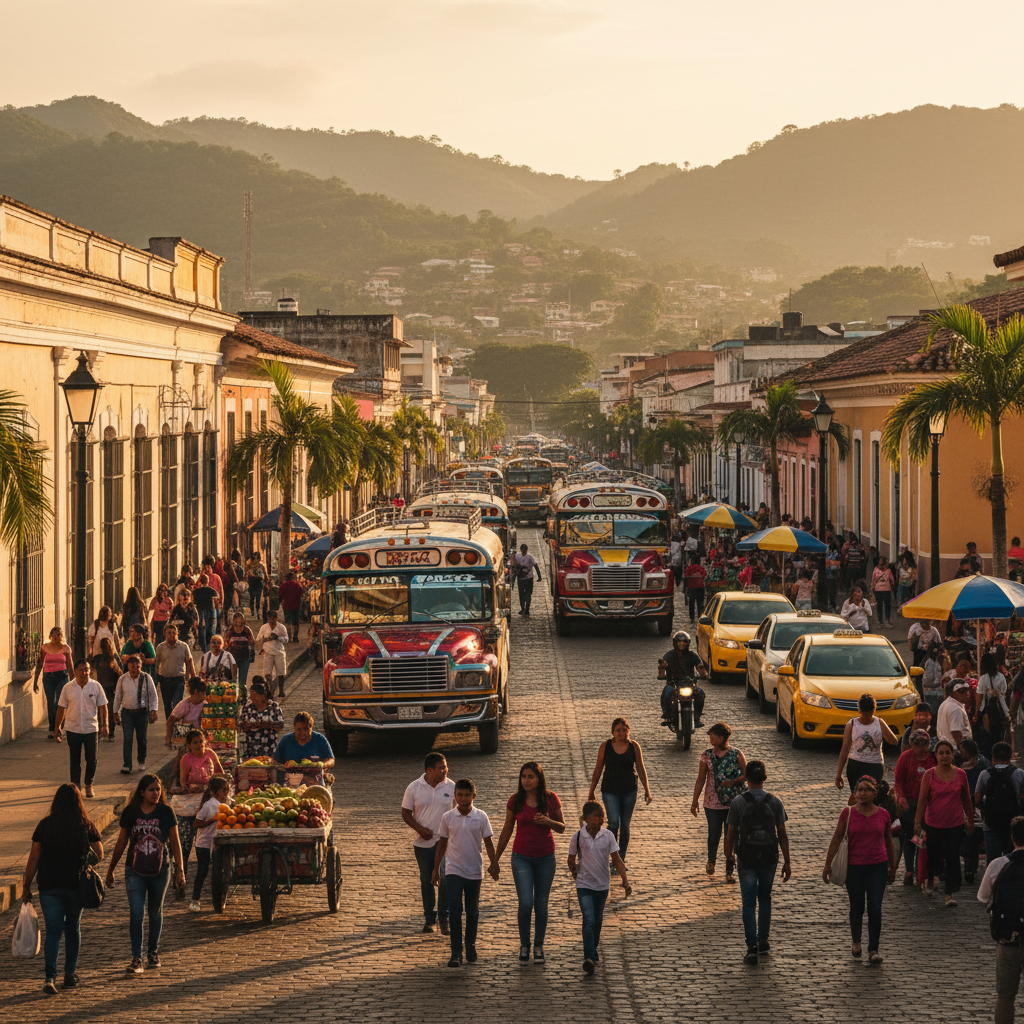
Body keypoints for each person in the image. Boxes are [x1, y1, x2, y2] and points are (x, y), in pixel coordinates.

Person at [21, 784, 104, 995]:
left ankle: (50, 977)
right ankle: (69, 974)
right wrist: (87, 862)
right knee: (73, 928)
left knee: (53, 931)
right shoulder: (85, 825)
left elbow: (33, 857)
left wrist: (26, 886)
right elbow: (100, 853)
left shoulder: (45, 825)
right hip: (76, 886)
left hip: (49, 886)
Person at [103, 774, 185, 974]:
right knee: (137, 913)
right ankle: (136, 957)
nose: (156, 793)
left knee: (155, 912)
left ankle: (153, 952)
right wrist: (111, 868)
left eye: (158, 789)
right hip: (134, 869)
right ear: (142, 792)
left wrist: (180, 871)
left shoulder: (166, 812)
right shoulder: (131, 812)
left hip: (160, 869)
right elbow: (122, 841)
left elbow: (175, 842)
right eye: (151, 790)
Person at [493, 761, 565, 963]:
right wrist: (495, 859)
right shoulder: (515, 800)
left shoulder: (551, 799)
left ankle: (539, 945)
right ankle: (524, 944)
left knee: (541, 904)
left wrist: (548, 822)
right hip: (521, 858)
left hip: (545, 859)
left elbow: (562, 827)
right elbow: (507, 830)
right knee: (526, 903)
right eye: (523, 776)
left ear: (539, 778)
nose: (526, 780)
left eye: (530, 776)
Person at [822, 775, 897, 964]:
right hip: (854, 868)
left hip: (877, 867)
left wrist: (892, 866)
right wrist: (828, 863)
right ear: (855, 793)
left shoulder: (883, 814)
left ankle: (873, 949)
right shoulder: (847, 814)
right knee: (857, 907)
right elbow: (837, 838)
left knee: (875, 908)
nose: (862, 793)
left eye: (867, 789)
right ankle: (856, 941)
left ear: (874, 793)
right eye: (859, 789)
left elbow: (889, 842)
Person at [723, 760, 791, 965]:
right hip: (769, 857)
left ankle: (751, 945)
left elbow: (731, 832)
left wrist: (729, 855)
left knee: (748, 902)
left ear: (747, 779)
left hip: (747, 857)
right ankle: (764, 940)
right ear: (765, 778)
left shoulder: (738, 802)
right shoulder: (775, 802)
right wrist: (787, 861)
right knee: (765, 898)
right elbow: (782, 834)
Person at [432, 778, 498, 968]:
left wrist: (494, 864)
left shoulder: (481, 817)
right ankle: (456, 952)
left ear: (473, 796)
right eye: (459, 795)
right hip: (453, 869)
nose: (463, 798)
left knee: (473, 911)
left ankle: (470, 945)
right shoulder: (448, 817)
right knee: (454, 910)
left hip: (474, 870)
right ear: (455, 796)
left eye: (466, 795)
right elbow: (442, 844)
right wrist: (436, 870)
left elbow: (488, 843)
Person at [567, 800, 632, 975]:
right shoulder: (578, 837)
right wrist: (574, 870)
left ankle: (592, 952)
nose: (601, 819)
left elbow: (617, 859)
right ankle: (588, 957)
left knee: (597, 921)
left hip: (602, 886)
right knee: (588, 919)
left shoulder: (608, 836)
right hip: (584, 885)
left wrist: (625, 880)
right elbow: (571, 859)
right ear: (587, 818)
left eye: (602, 816)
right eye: (597, 816)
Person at [915, 738, 974, 906]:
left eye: (947, 753)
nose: (944, 756)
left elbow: (966, 798)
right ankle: (931, 880)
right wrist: (917, 821)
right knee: (933, 857)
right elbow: (923, 799)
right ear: (936, 755)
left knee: (952, 858)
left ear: (953, 755)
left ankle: (949, 893)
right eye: (941, 753)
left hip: (955, 824)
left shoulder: (961, 774)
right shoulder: (929, 774)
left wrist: (970, 819)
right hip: (933, 823)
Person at [977, 815, 1024, 1024]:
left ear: (1012, 838)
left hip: (1008, 937)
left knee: (1005, 995)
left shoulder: (998, 864)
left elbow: (983, 897)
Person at [402, 752, 455, 935]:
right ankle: (429, 919)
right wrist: (420, 829)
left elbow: (459, 811)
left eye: (446, 767)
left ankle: (444, 917)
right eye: (441, 768)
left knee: (445, 878)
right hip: (422, 844)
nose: (445, 770)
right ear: (429, 770)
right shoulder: (414, 788)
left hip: (445, 842)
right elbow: (406, 813)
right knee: (427, 881)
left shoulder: (452, 786)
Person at [587, 719, 653, 864]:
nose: (621, 733)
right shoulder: (605, 746)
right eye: (618, 730)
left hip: (629, 790)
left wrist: (647, 789)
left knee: (625, 825)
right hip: (610, 790)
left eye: (624, 730)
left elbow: (641, 769)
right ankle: (612, 855)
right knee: (613, 823)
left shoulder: (634, 746)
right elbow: (598, 769)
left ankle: (620, 859)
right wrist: (591, 790)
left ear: (628, 731)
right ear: (613, 732)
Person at [691, 722, 747, 880]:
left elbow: (745, 775)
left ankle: (730, 868)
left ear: (722, 738)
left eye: (713, 737)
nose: (711, 740)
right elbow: (701, 779)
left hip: (733, 803)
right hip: (712, 803)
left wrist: (733, 781)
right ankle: (711, 860)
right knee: (714, 833)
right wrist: (695, 801)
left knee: (731, 836)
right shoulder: (706, 755)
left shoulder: (737, 754)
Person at [54, 660, 109, 798]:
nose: (85, 672)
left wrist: (105, 725)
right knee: (75, 760)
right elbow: (61, 708)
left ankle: (89, 784)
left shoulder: (96, 686)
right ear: (76, 670)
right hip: (73, 728)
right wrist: (57, 727)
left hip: (91, 728)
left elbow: (103, 706)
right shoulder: (68, 688)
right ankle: (76, 787)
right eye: (82, 669)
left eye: (87, 669)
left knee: (92, 759)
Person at [894, 730, 937, 884]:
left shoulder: (933, 758)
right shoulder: (905, 758)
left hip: (928, 804)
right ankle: (909, 870)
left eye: (924, 743)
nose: (921, 747)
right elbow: (898, 780)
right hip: (910, 804)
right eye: (917, 743)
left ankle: (922, 870)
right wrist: (901, 798)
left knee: (924, 838)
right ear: (911, 744)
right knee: (909, 837)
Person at [835, 694, 898, 790]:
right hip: (875, 765)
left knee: (857, 796)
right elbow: (894, 741)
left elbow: (844, 750)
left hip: (855, 765)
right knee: (871, 797)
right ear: (874, 709)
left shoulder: (851, 724)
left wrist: (839, 774)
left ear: (859, 709)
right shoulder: (879, 723)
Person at [975, 742, 1024, 867]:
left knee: (992, 861)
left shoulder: (985, 774)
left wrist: (986, 809)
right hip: (1012, 824)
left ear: (993, 757)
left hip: (990, 824)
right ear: (1010, 756)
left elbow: (977, 799)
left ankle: (993, 884)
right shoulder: (1019, 773)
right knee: (1012, 860)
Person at [113, 654, 160, 775]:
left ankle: (141, 760)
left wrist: (153, 710)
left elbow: (153, 695)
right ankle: (127, 764)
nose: (135, 668)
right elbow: (118, 696)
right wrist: (115, 712)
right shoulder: (122, 679)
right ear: (128, 666)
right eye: (132, 665)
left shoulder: (146, 678)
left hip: (141, 712)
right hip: (127, 712)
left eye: (137, 665)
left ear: (140, 665)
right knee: (127, 739)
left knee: (141, 738)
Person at [188, 775, 230, 912]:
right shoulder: (209, 805)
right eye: (224, 790)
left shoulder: (226, 804)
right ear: (217, 791)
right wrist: (212, 820)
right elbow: (196, 823)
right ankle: (195, 900)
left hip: (218, 843)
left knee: (221, 871)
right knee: (202, 871)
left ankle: (221, 898)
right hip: (204, 844)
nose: (226, 793)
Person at [659, 629, 707, 728]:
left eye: (683, 642)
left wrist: (704, 675)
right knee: (666, 694)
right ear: (675, 643)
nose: (681, 644)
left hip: (689, 683)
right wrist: (662, 673)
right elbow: (662, 667)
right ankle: (667, 715)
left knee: (700, 694)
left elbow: (700, 667)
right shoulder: (669, 655)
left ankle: (697, 718)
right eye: (679, 642)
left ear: (687, 643)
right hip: (673, 683)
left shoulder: (692, 655)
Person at [33, 627, 74, 739]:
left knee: (59, 703)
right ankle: (52, 729)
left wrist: (73, 681)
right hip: (48, 678)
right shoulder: (45, 648)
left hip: (62, 676)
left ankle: (59, 726)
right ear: (51, 636)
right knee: (50, 703)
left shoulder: (66, 648)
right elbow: (39, 664)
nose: (56, 638)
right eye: (54, 636)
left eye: (58, 635)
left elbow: (70, 666)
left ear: (61, 636)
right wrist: (35, 681)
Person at [154, 624, 195, 719]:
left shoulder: (183, 646)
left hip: (179, 680)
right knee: (167, 706)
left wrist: (193, 677)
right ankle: (170, 727)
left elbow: (189, 661)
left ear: (177, 634)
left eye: (174, 633)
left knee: (177, 704)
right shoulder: (160, 647)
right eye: (169, 633)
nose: (172, 635)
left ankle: (176, 725)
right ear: (165, 634)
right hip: (165, 680)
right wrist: (156, 677)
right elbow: (156, 663)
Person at [237, 678, 285, 760]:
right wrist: (248, 726)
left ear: (262, 696)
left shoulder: (273, 706)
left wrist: (267, 724)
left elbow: (281, 724)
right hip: (252, 748)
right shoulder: (247, 708)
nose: (252, 697)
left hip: (270, 747)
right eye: (251, 694)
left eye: (255, 695)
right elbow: (240, 725)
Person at [90, 637, 123, 743]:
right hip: (106, 688)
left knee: (105, 710)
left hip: (108, 688)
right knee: (108, 710)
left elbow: (120, 673)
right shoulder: (101, 658)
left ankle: (105, 732)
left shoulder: (110, 658)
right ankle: (108, 733)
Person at [164, 676, 207, 748]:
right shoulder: (184, 704)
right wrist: (168, 738)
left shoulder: (205, 704)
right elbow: (170, 721)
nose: (204, 695)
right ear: (196, 692)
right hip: (188, 739)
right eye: (203, 693)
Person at [256, 610, 290, 699]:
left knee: (281, 673)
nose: (271, 621)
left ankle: (281, 690)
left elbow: (286, 639)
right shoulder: (264, 627)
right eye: (269, 619)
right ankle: (270, 688)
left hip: (279, 652)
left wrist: (278, 637)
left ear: (276, 619)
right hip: (268, 651)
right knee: (267, 672)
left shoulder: (281, 627)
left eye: (273, 619)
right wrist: (264, 640)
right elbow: (258, 638)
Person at [179, 729, 223, 793]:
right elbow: (183, 781)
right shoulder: (186, 759)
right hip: (193, 793)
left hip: (212, 791)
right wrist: (192, 789)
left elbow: (221, 773)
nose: (199, 745)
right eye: (195, 743)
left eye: (201, 741)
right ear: (189, 745)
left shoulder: (210, 753)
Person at [224, 612, 256, 696]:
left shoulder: (247, 630)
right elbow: (226, 644)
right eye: (236, 621)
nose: (238, 624)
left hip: (244, 658)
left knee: (242, 682)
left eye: (240, 621)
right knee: (233, 681)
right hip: (233, 660)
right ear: (234, 621)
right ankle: (233, 698)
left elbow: (253, 642)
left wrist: (246, 641)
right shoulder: (230, 630)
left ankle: (243, 699)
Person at [938, 680, 974, 747]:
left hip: (947, 747)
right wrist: (963, 750)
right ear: (953, 693)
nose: (966, 693)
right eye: (962, 691)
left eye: (967, 690)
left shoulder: (944, 704)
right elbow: (955, 732)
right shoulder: (956, 708)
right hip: (956, 749)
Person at [191, 573, 220, 652]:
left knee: (201, 628)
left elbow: (193, 599)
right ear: (208, 581)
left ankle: (203, 647)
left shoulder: (196, 591)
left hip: (199, 610)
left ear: (200, 581)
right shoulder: (210, 590)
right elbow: (217, 596)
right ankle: (210, 645)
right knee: (210, 627)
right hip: (210, 609)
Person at [512, 544, 542, 616]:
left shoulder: (529, 557)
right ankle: (523, 609)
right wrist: (513, 581)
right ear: (521, 550)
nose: (524, 552)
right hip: (521, 579)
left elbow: (536, 566)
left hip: (528, 579)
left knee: (527, 594)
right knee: (522, 594)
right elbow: (515, 569)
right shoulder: (517, 557)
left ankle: (526, 609)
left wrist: (539, 576)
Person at [278, 571, 305, 643]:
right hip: (296, 605)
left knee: (288, 622)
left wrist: (280, 602)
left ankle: (289, 637)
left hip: (287, 606)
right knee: (295, 622)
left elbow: (280, 595)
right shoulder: (296, 584)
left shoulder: (283, 585)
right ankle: (295, 637)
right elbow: (301, 593)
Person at [871, 556, 895, 627]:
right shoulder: (888, 571)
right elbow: (892, 580)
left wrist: (872, 589)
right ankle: (887, 620)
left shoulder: (875, 569)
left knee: (879, 606)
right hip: (887, 590)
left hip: (877, 590)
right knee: (887, 606)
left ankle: (880, 622)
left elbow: (873, 580)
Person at [684, 553, 707, 622]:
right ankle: (700, 616)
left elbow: (685, 576)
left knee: (691, 603)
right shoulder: (701, 568)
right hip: (700, 587)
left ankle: (692, 617)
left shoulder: (689, 568)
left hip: (692, 587)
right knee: (700, 603)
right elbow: (704, 576)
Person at [245, 551, 267, 617]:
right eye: (255, 558)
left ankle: (256, 611)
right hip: (252, 582)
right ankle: (253, 611)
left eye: (257, 558)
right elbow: (246, 574)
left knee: (257, 597)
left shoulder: (260, 566)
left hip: (257, 583)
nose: (256, 559)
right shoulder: (249, 566)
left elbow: (265, 574)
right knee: (252, 597)